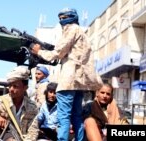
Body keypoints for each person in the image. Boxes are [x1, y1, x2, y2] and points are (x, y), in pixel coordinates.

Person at [31, 7, 103, 141]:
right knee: (76, 116)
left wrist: (39, 52)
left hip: (68, 80)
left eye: (63, 18)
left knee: (63, 116)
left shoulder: (71, 29)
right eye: (60, 18)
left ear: (71, 18)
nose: (61, 21)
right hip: (79, 82)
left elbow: (58, 53)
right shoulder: (82, 32)